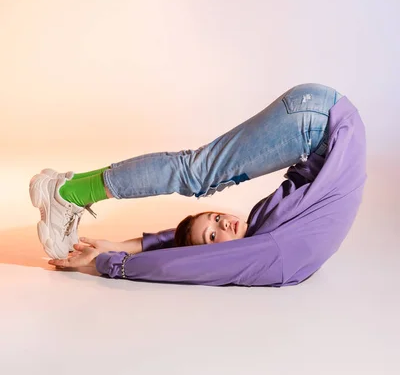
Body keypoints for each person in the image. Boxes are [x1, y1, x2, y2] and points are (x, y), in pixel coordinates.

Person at [29, 83, 367, 287]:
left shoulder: (266, 247)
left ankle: (68, 192)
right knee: (197, 174)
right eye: (216, 227)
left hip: (322, 120)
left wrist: (119, 251)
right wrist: (110, 262)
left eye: (214, 229)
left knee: (199, 175)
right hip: (320, 124)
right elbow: (199, 260)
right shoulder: (272, 253)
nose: (224, 223)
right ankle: (67, 193)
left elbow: (188, 260)